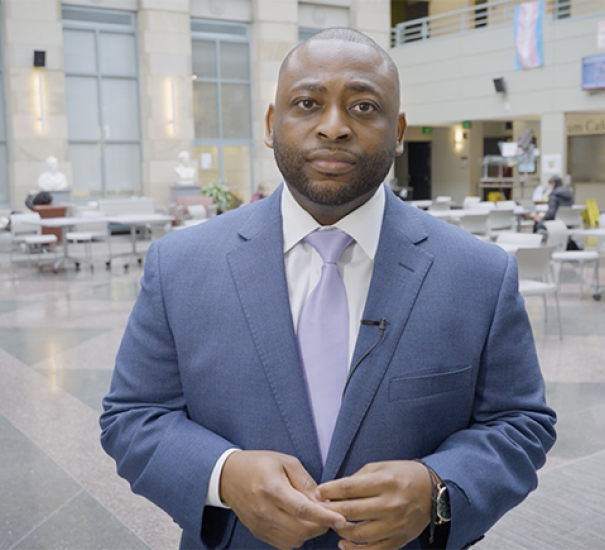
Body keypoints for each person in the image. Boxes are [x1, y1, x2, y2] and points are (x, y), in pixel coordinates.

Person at [100, 28, 555, 550]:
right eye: (308, 103)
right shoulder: (180, 265)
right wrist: (222, 474)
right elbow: (133, 417)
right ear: (273, 124)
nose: (334, 127)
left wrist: (438, 489)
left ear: (398, 130)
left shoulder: (479, 274)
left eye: (363, 106)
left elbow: (520, 423)